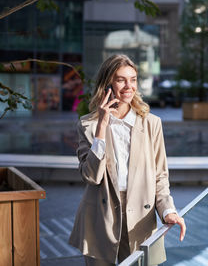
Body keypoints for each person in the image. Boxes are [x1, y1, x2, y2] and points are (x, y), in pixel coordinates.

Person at [69, 54, 186, 266]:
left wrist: (168, 211)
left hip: (141, 217)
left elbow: (160, 176)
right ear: (107, 85)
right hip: (100, 219)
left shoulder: (152, 124)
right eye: (120, 79)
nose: (128, 86)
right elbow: (91, 176)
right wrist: (102, 128)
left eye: (132, 79)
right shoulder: (87, 124)